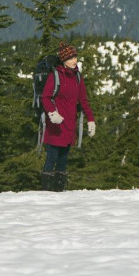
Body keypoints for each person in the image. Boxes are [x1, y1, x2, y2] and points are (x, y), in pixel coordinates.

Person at [40, 42, 96, 192]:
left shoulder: (78, 77)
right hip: (56, 126)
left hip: (70, 126)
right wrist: (52, 113)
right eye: (70, 58)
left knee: (63, 161)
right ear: (63, 60)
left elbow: (83, 100)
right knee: (51, 159)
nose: (74, 60)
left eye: (75, 57)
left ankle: (59, 191)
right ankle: (47, 192)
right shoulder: (55, 75)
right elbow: (45, 97)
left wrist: (91, 120)